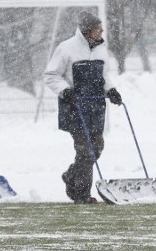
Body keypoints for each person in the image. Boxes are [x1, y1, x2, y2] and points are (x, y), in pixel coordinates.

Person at [43, 11, 122, 204]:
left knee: (97, 148)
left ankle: (71, 176)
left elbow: (104, 77)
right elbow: (51, 75)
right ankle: (81, 194)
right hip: (74, 108)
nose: (102, 30)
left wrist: (111, 90)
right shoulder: (66, 48)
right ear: (88, 31)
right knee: (86, 150)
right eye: (98, 28)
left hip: (95, 108)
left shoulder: (101, 50)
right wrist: (66, 90)